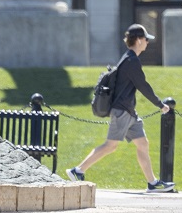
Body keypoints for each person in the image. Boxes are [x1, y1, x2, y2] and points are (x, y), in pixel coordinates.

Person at [67, 23, 174, 191]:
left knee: (143, 144)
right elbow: (143, 86)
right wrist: (160, 105)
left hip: (129, 112)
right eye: (146, 39)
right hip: (122, 111)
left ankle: (152, 183)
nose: (147, 42)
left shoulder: (129, 58)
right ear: (138, 40)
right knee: (111, 145)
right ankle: (78, 170)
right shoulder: (131, 61)